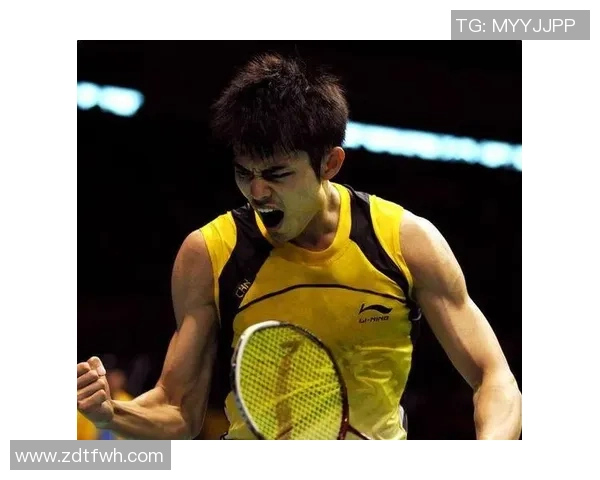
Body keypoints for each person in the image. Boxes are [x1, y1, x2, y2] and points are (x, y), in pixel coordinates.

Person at [76, 52, 522, 440]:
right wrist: (110, 413)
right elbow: (178, 411)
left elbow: (494, 377)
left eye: (277, 174)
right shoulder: (210, 252)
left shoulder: (405, 242)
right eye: (244, 172)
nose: (256, 192)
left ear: (330, 163)